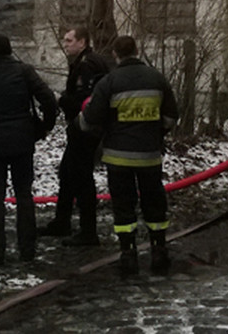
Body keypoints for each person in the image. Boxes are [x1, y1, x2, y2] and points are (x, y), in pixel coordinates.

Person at [79, 35, 178, 276]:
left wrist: (86, 122)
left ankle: (128, 254)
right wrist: (155, 133)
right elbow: (171, 117)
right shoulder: (157, 78)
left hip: (118, 157)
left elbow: (90, 119)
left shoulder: (109, 82)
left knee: (124, 207)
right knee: (154, 203)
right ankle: (159, 249)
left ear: (115, 54)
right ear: (137, 50)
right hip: (149, 155)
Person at [0, 33, 59, 264]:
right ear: (9, 50)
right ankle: (27, 249)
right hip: (22, 140)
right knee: (24, 194)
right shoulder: (24, 71)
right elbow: (48, 99)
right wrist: (44, 127)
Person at [39, 27, 113, 245]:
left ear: (82, 42)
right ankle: (62, 222)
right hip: (83, 128)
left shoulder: (86, 66)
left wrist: (59, 99)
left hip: (84, 129)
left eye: (70, 40)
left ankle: (88, 232)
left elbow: (84, 101)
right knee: (67, 174)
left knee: (81, 178)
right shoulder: (91, 61)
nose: (66, 44)